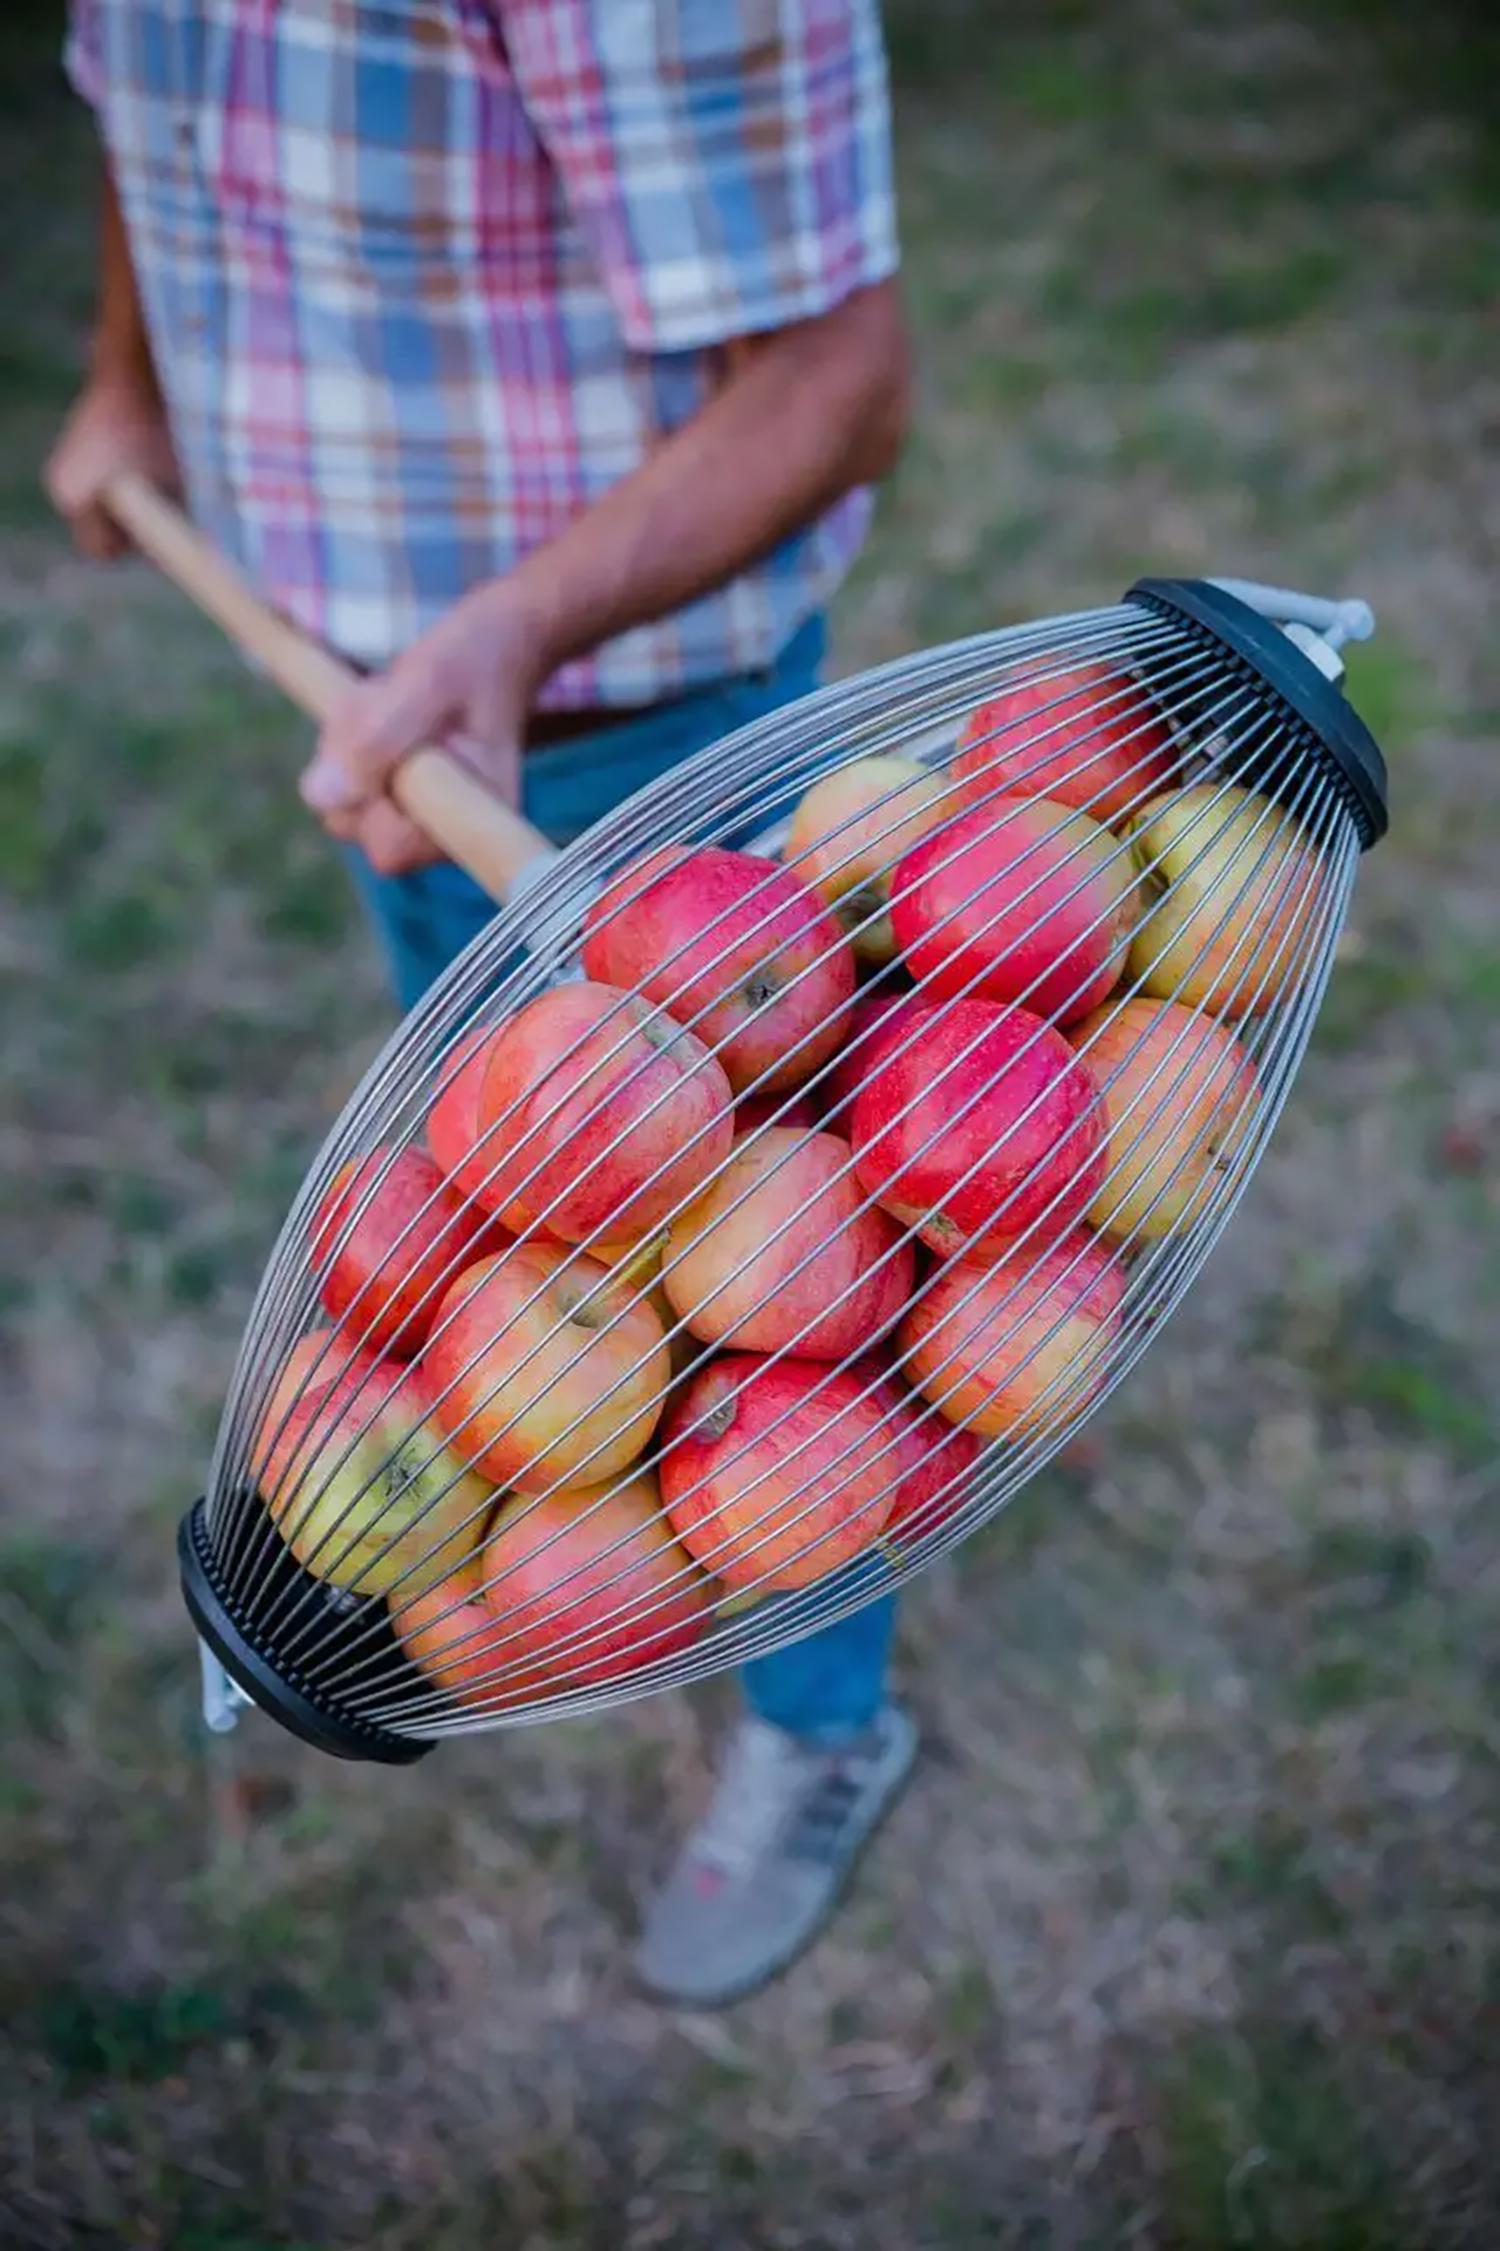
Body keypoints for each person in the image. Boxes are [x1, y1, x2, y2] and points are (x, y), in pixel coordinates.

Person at [49, 0, 916, 2007]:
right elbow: (150, 96)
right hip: (373, 705)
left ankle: (822, 1718)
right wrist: (129, 380)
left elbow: (844, 378)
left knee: (782, 1336)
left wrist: (516, 628)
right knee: (528, 1255)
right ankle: (675, 1564)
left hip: (630, 743)